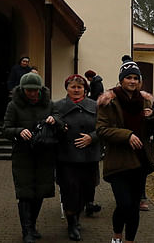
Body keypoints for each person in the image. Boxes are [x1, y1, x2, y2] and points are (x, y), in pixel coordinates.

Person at [97, 58, 154, 243]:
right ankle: (117, 237)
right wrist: (127, 135)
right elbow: (101, 129)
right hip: (118, 161)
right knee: (124, 204)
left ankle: (129, 240)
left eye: (135, 78)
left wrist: (152, 118)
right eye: (128, 78)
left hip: (140, 161)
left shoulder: (146, 101)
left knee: (133, 207)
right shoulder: (109, 101)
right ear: (121, 80)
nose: (132, 81)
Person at [3, 72, 58, 243]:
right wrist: (19, 131)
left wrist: (54, 120)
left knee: (40, 192)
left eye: (35, 90)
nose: (32, 93)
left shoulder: (49, 104)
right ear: (22, 89)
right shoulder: (13, 106)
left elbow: (60, 122)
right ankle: (26, 230)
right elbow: (6, 129)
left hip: (44, 155)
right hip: (23, 155)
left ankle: (32, 225)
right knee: (25, 193)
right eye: (29, 90)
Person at [53, 74, 101, 241]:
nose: (76, 90)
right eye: (72, 87)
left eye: (79, 87)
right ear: (67, 88)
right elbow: (50, 127)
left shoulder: (95, 106)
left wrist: (92, 138)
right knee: (70, 190)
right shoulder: (57, 106)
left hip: (89, 157)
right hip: (66, 157)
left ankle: (77, 217)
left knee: (86, 190)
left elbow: (104, 127)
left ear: (85, 90)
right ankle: (72, 223)